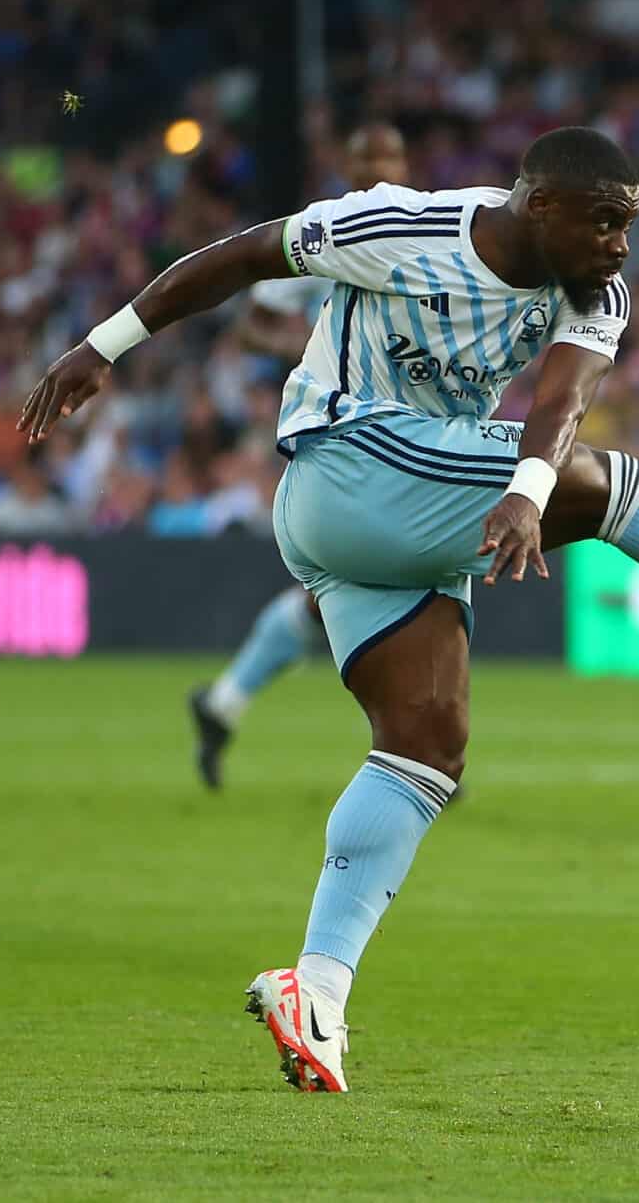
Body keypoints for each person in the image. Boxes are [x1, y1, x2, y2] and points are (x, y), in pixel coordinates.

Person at [19, 127, 639, 1092]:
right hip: (349, 470)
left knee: (424, 746)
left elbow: (563, 402)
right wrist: (103, 345)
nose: (620, 246)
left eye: (627, 227)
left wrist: (526, 487)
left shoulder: (595, 294)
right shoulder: (398, 225)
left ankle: (320, 991)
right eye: (603, 222)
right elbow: (242, 256)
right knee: (612, 490)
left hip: (388, 518)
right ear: (539, 205)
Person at [188, 122, 409, 789]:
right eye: (365, 161)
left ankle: (224, 702)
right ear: (347, 168)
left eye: (387, 160)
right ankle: (413, 746)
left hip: (409, 435)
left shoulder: (432, 231)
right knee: (392, 582)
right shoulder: (326, 234)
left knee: (348, 593)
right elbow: (252, 319)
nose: (377, 173)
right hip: (342, 436)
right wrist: (307, 354)